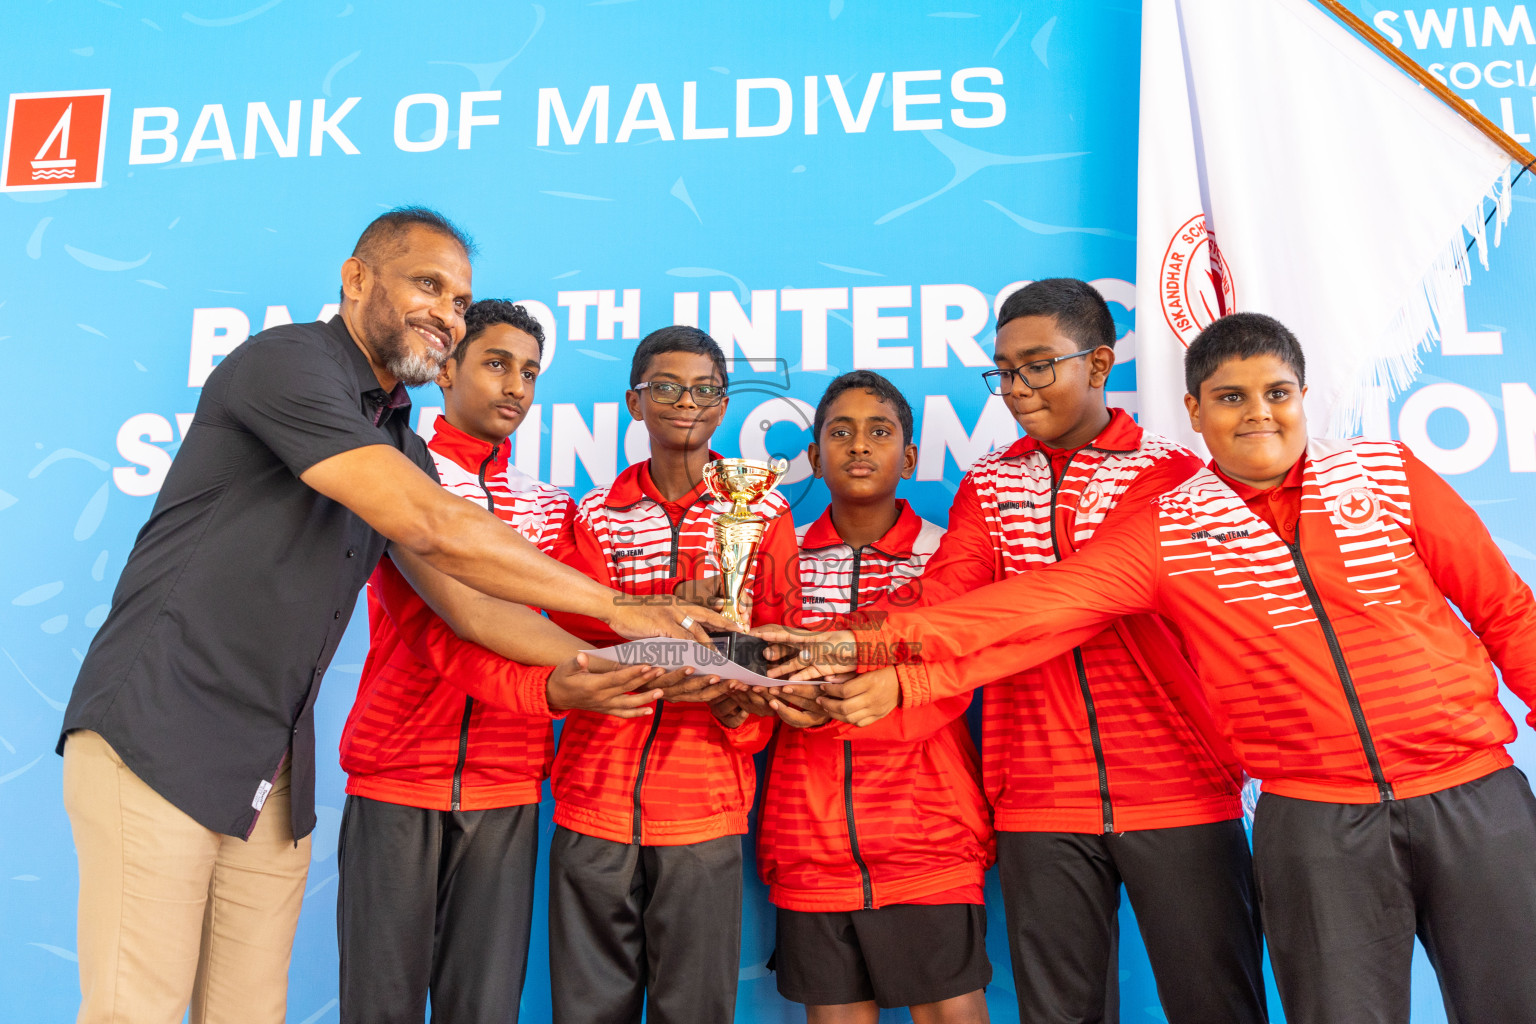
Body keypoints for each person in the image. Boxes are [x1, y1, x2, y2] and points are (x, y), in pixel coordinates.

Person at [764, 311, 1536, 1024]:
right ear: (1197, 412)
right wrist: (870, 651)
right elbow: (1036, 612)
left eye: (1276, 392)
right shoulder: (1164, 524)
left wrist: (889, 665)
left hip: (1457, 789)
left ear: (1306, 395)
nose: (1258, 413)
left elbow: (1507, 612)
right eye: (1231, 397)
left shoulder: (1379, 474)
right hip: (1299, 814)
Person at [58, 208, 727, 1024]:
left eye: (459, 299)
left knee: (247, 1012)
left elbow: (474, 607)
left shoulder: (396, 438)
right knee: (139, 1010)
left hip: (270, 767)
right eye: (429, 285)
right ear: (356, 279)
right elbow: (437, 526)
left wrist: (617, 660)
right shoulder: (286, 364)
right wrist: (622, 606)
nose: (446, 313)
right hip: (162, 730)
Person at [905, 280, 1264, 1023]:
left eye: (1038, 365)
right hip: (1037, 800)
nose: (1016, 388)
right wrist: (840, 643)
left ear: (1099, 364)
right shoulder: (987, 484)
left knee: (1217, 1007)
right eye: (1003, 370)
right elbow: (945, 600)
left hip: (1180, 789)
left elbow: (1081, 606)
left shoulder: (1173, 477)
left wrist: (879, 651)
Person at [335, 299, 677, 1023]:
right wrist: (553, 690)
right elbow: (443, 634)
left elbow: (596, 617)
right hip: (398, 779)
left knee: (484, 1009)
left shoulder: (552, 507)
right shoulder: (401, 478)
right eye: (496, 364)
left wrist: (688, 639)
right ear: (446, 369)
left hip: (507, 789)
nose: (516, 386)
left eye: (529, 372)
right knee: (379, 1009)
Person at [544, 325, 801, 1024]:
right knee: (588, 1008)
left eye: (704, 390)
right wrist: (675, 660)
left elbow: (774, 647)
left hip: (704, 802)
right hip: (593, 795)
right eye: (665, 387)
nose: (685, 402)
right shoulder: (592, 515)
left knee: (694, 1010)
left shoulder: (764, 511)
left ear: (723, 406)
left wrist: (728, 703)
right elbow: (579, 637)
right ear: (634, 402)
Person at [753, 370, 993, 1024]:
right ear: (814, 456)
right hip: (807, 835)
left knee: (949, 1010)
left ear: (910, 457)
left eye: (879, 432)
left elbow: (960, 673)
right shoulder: (780, 558)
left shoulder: (948, 555)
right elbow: (761, 674)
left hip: (928, 833)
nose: (859, 446)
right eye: (841, 432)